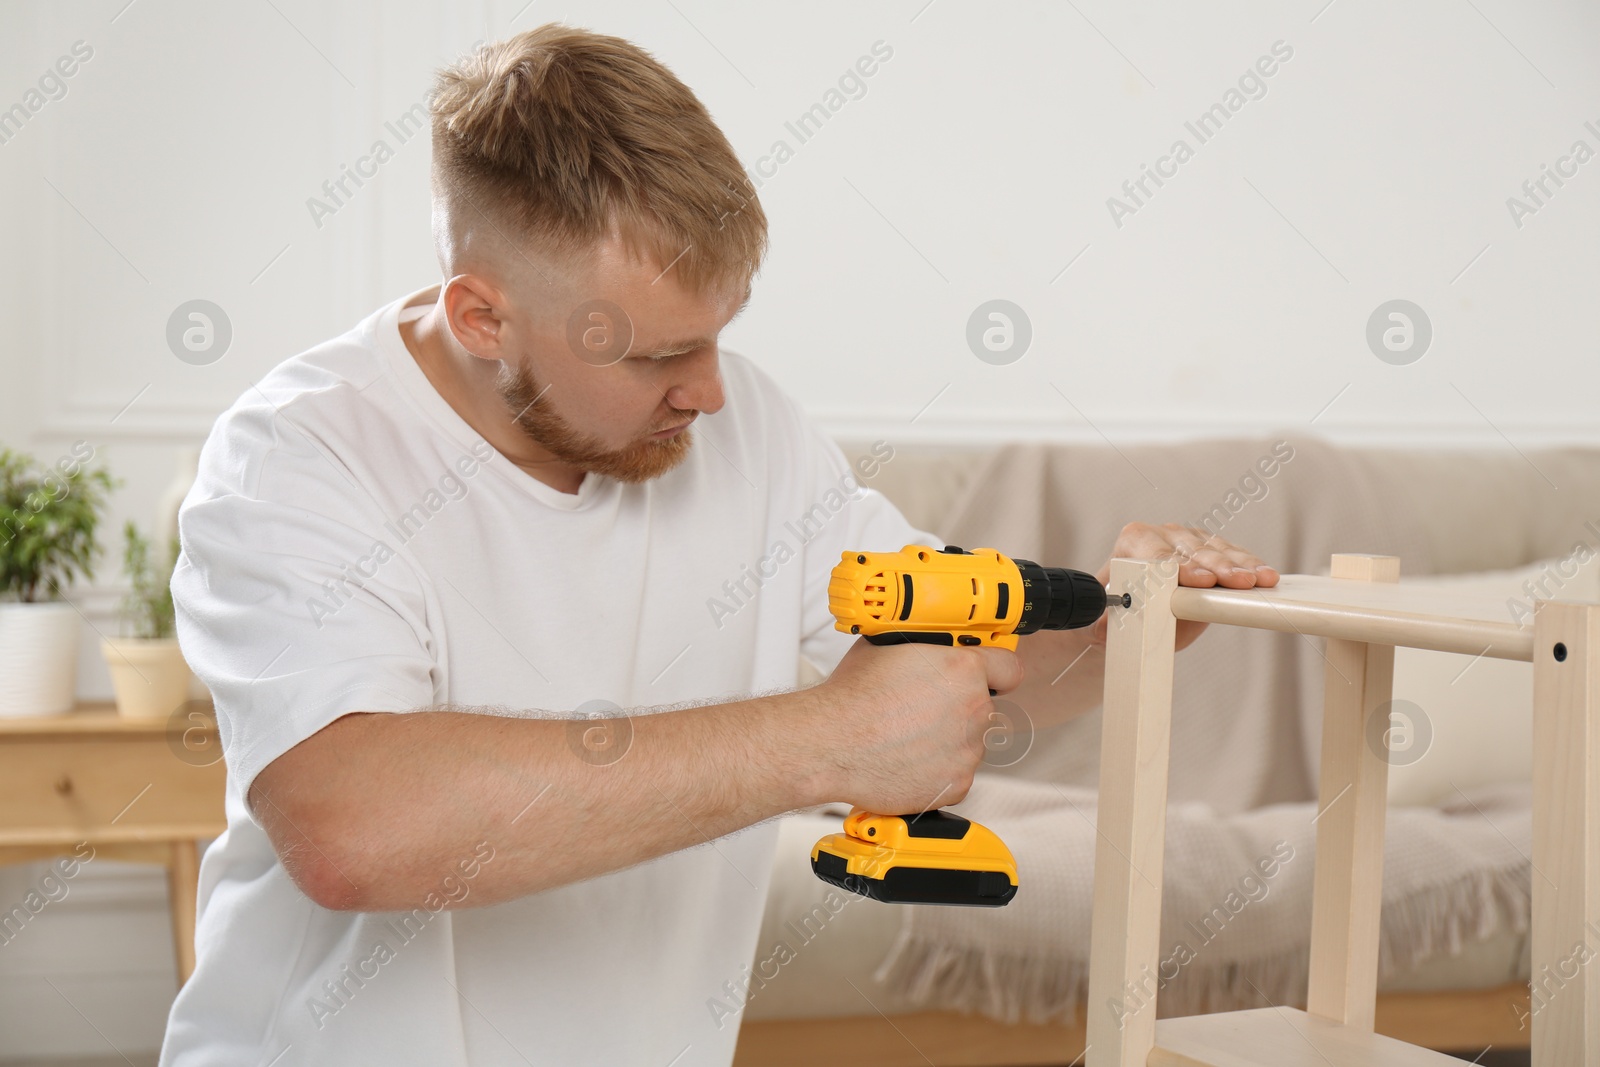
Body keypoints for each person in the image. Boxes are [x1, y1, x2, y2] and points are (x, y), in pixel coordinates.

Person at [159, 23, 1278, 1066]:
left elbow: (946, 653)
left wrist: (1127, 616)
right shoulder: (298, 457)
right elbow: (357, 828)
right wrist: (826, 741)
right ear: (482, 316)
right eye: (654, 356)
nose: (703, 390)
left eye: (718, 337)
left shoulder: (744, 423)